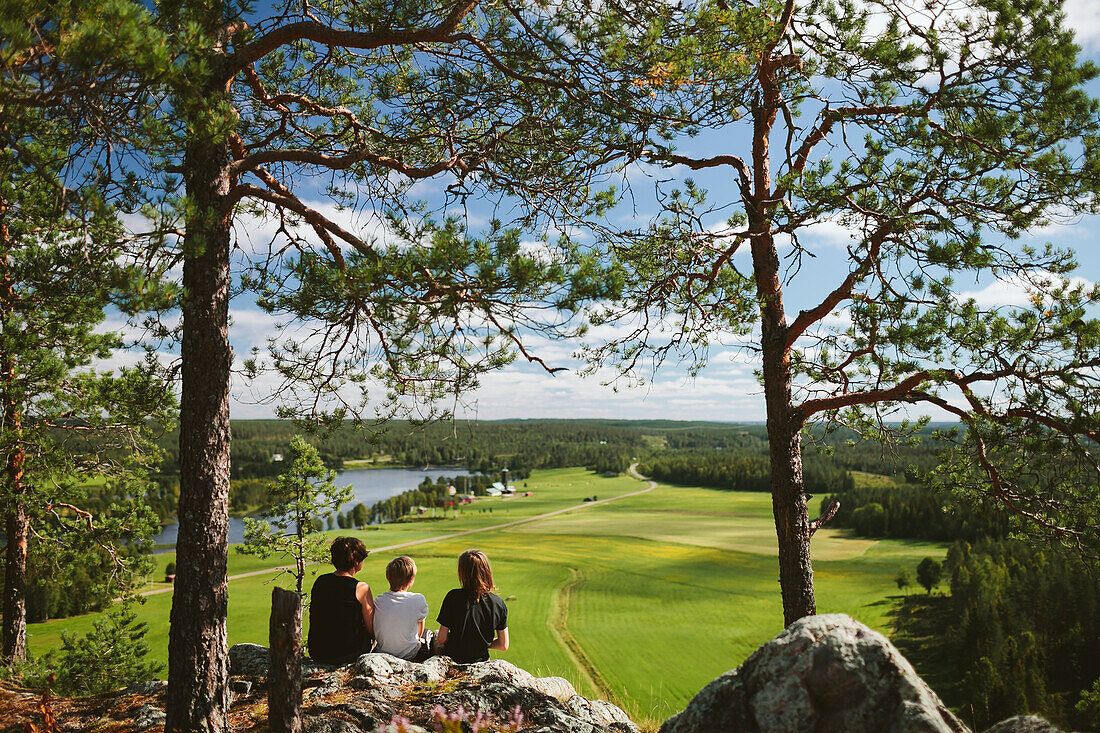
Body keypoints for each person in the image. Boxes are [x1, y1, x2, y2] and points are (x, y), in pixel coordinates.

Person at [307, 536, 374, 664]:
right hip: (348, 653)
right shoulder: (361, 588)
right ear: (356, 562)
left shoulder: (320, 581)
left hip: (318, 652)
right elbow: (371, 629)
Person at [435, 549, 509, 663]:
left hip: (454, 661)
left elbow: (441, 638)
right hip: (482, 662)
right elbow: (503, 645)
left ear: (462, 572)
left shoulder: (452, 597)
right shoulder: (498, 603)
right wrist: (481, 642)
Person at [373, 555, 435, 662]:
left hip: (382, 652)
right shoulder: (418, 599)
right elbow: (420, 628)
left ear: (388, 577)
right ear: (411, 579)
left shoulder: (379, 600)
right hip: (409, 654)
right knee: (427, 633)